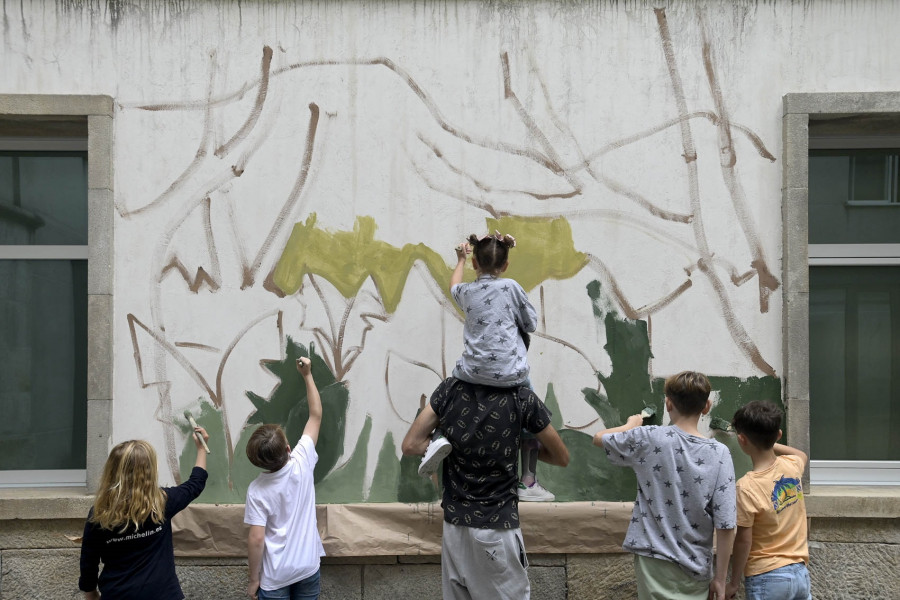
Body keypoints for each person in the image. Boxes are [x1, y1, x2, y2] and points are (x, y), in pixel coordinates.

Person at [402, 377, 569, 600]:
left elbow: (411, 445)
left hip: (454, 527)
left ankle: (440, 438)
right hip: (497, 525)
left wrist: (454, 442)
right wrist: (515, 443)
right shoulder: (521, 397)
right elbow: (561, 457)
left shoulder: (450, 389)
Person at [419, 231, 554, 502]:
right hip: (511, 377)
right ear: (505, 266)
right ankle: (527, 481)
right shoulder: (512, 287)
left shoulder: (467, 292)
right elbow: (530, 324)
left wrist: (459, 259)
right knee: (530, 418)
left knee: (451, 399)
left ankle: (439, 437)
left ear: (474, 264)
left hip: (471, 374)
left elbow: (454, 286)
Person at [593, 371, 736, 600]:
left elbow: (599, 438)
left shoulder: (649, 437)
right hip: (696, 564)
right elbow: (727, 523)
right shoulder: (720, 454)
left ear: (668, 403)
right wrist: (720, 579)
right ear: (707, 406)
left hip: (654, 561)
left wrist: (631, 425)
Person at [78, 427, 210, 600]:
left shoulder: (101, 513)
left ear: (112, 471)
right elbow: (196, 484)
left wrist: (90, 593)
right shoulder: (162, 503)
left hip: (117, 594)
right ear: (150, 471)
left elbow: (89, 560)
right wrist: (201, 449)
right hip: (163, 594)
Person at [244, 356, 325, 600]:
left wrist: (253, 579)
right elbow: (316, 415)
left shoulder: (257, 490)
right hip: (308, 568)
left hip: (276, 577)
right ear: (288, 448)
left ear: (257, 462)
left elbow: (257, 538)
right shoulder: (302, 461)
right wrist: (308, 375)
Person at [724, 401, 811, 600]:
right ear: (778, 435)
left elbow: (744, 541)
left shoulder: (746, 487)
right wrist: (770, 440)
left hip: (767, 576)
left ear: (742, 440)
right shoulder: (792, 465)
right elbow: (801, 454)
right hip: (800, 574)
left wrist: (734, 583)